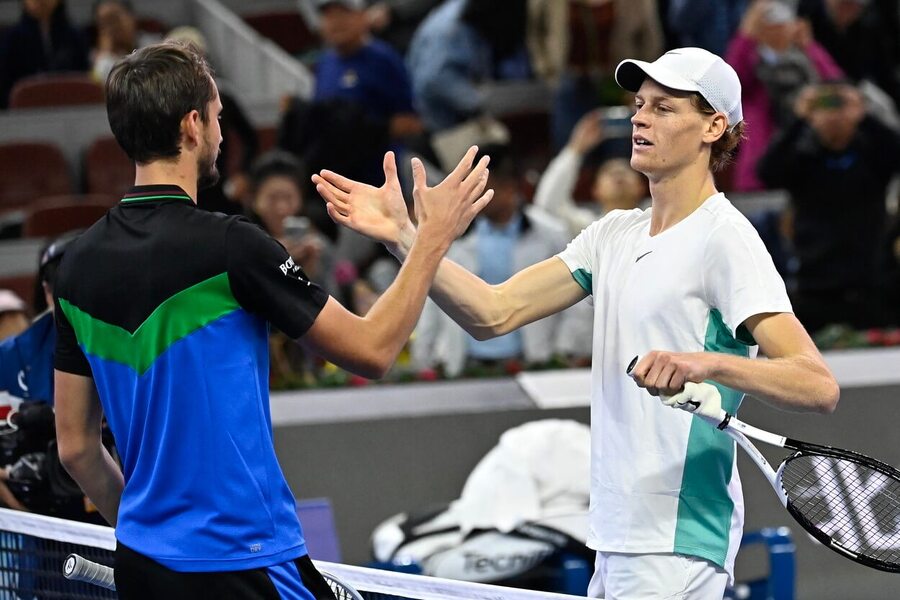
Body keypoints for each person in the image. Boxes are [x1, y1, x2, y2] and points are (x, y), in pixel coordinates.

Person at [314, 46, 840, 599]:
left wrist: (705, 363)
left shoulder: (726, 239)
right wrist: (407, 239)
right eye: (640, 104)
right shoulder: (614, 235)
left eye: (664, 108)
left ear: (714, 126)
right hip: (615, 535)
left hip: (676, 538)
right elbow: (494, 313)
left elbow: (815, 382)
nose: (639, 116)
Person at [52, 40, 491, 599]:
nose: (218, 131)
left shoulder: (76, 267)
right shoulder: (232, 247)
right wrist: (430, 239)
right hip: (245, 560)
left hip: (145, 565)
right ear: (191, 126)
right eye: (215, 117)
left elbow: (76, 449)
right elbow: (374, 349)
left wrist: (148, 537)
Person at [757, 81, 900, 332]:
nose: (834, 116)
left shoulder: (871, 154)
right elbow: (767, 171)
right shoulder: (804, 158)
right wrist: (799, 120)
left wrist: (864, 117)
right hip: (815, 284)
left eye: (841, 107)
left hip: (870, 283)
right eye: (824, 108)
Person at [532, 108, 647, 237]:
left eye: (626, 171)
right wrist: (575, 149)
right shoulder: (586, 227)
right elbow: (548, 207)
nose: (618, 175)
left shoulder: (656, 218)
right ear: (596, 190)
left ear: (641, 187)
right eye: (609, 172)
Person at [0, 0, 89, 108]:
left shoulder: (75, 37)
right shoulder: (11, 39)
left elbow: (84, 77)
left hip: (71, 110)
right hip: (24, 115)